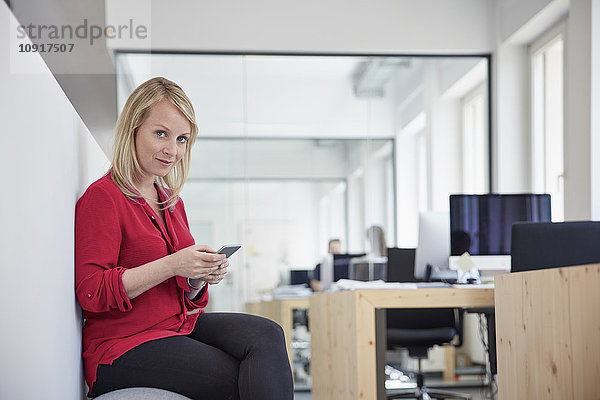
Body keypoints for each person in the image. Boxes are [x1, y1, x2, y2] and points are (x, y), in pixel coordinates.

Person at [75, 77, 293, 400]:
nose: (172, 150)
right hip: (122, 348)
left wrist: (197, 278)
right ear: (133, 129)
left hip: (178, 326)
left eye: (181, 139)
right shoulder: (103, 197)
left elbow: (181, 291)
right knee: (242, 377)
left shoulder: (171, 202)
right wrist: (173, 263)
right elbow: (91, 291)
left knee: (268, 335)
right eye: (161, 134)